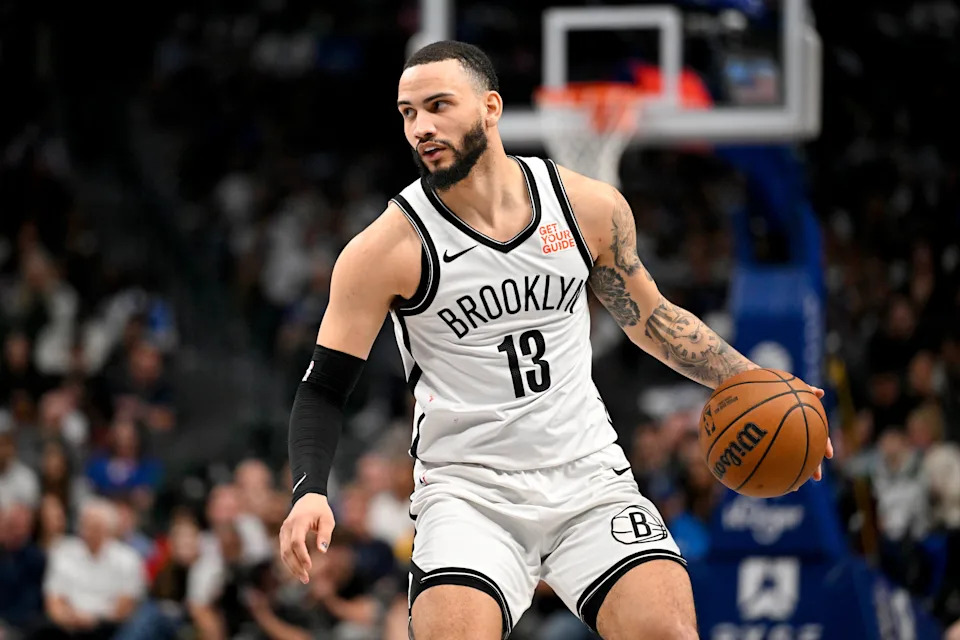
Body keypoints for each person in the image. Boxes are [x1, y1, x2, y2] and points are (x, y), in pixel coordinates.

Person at [279, 40, 834, 640]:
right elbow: (324, 390)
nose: (421, 127)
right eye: (408, 112)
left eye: (439, 105)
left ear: (490, 108)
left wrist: (761, 384)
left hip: (588, 479)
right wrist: (310, 490)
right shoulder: (384, 250)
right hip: (469, 494)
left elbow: (652, 319)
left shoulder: (585, 207)